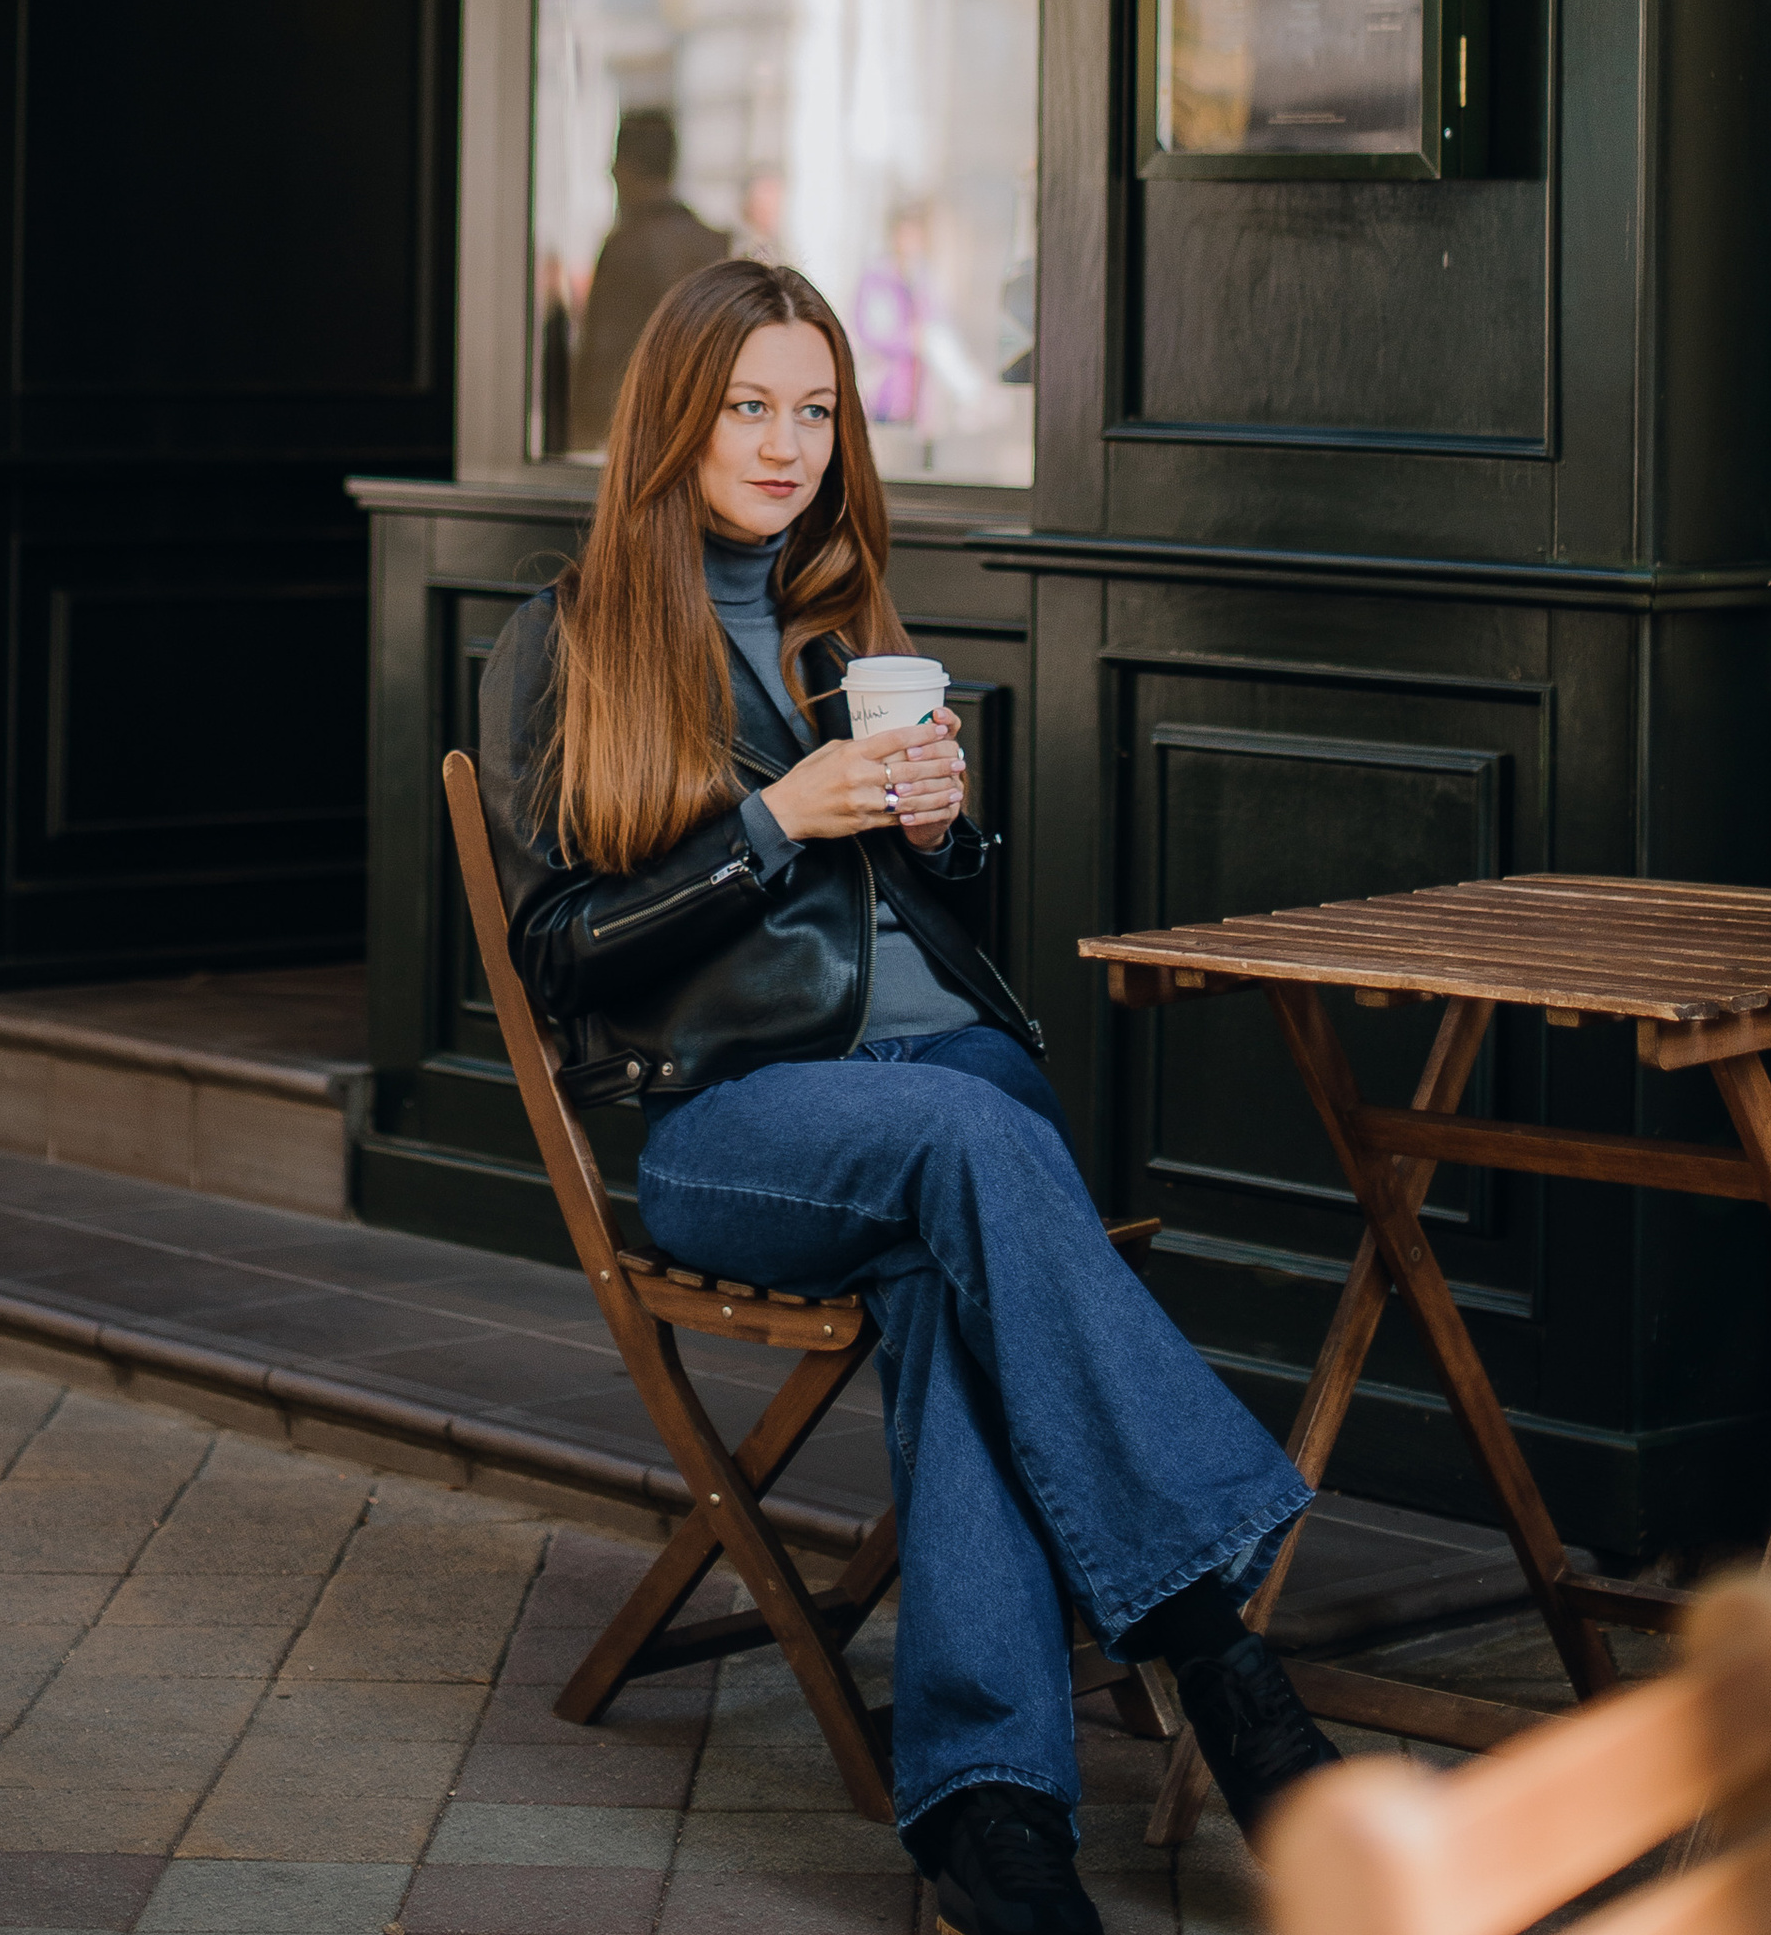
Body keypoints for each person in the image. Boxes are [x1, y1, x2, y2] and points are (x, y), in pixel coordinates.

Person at [478, 255, 1336, 1935]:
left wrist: (946, 836)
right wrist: (779, 820)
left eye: (817, 408)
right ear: (675, 413)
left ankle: (993, 1818)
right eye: (750, 406)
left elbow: (931, 928)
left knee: (957, 1252)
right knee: (971, 1156)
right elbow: (562, 951)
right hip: (737, 1115)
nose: (788, 443)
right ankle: (1221, 1658)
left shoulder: (838, 621)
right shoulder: (566, 632)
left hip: (951, 1093)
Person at [567, 107, 730, 446]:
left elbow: (603, 366)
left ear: (625, 170)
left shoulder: (627, 248)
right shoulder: (713, 245)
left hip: (639, 441)